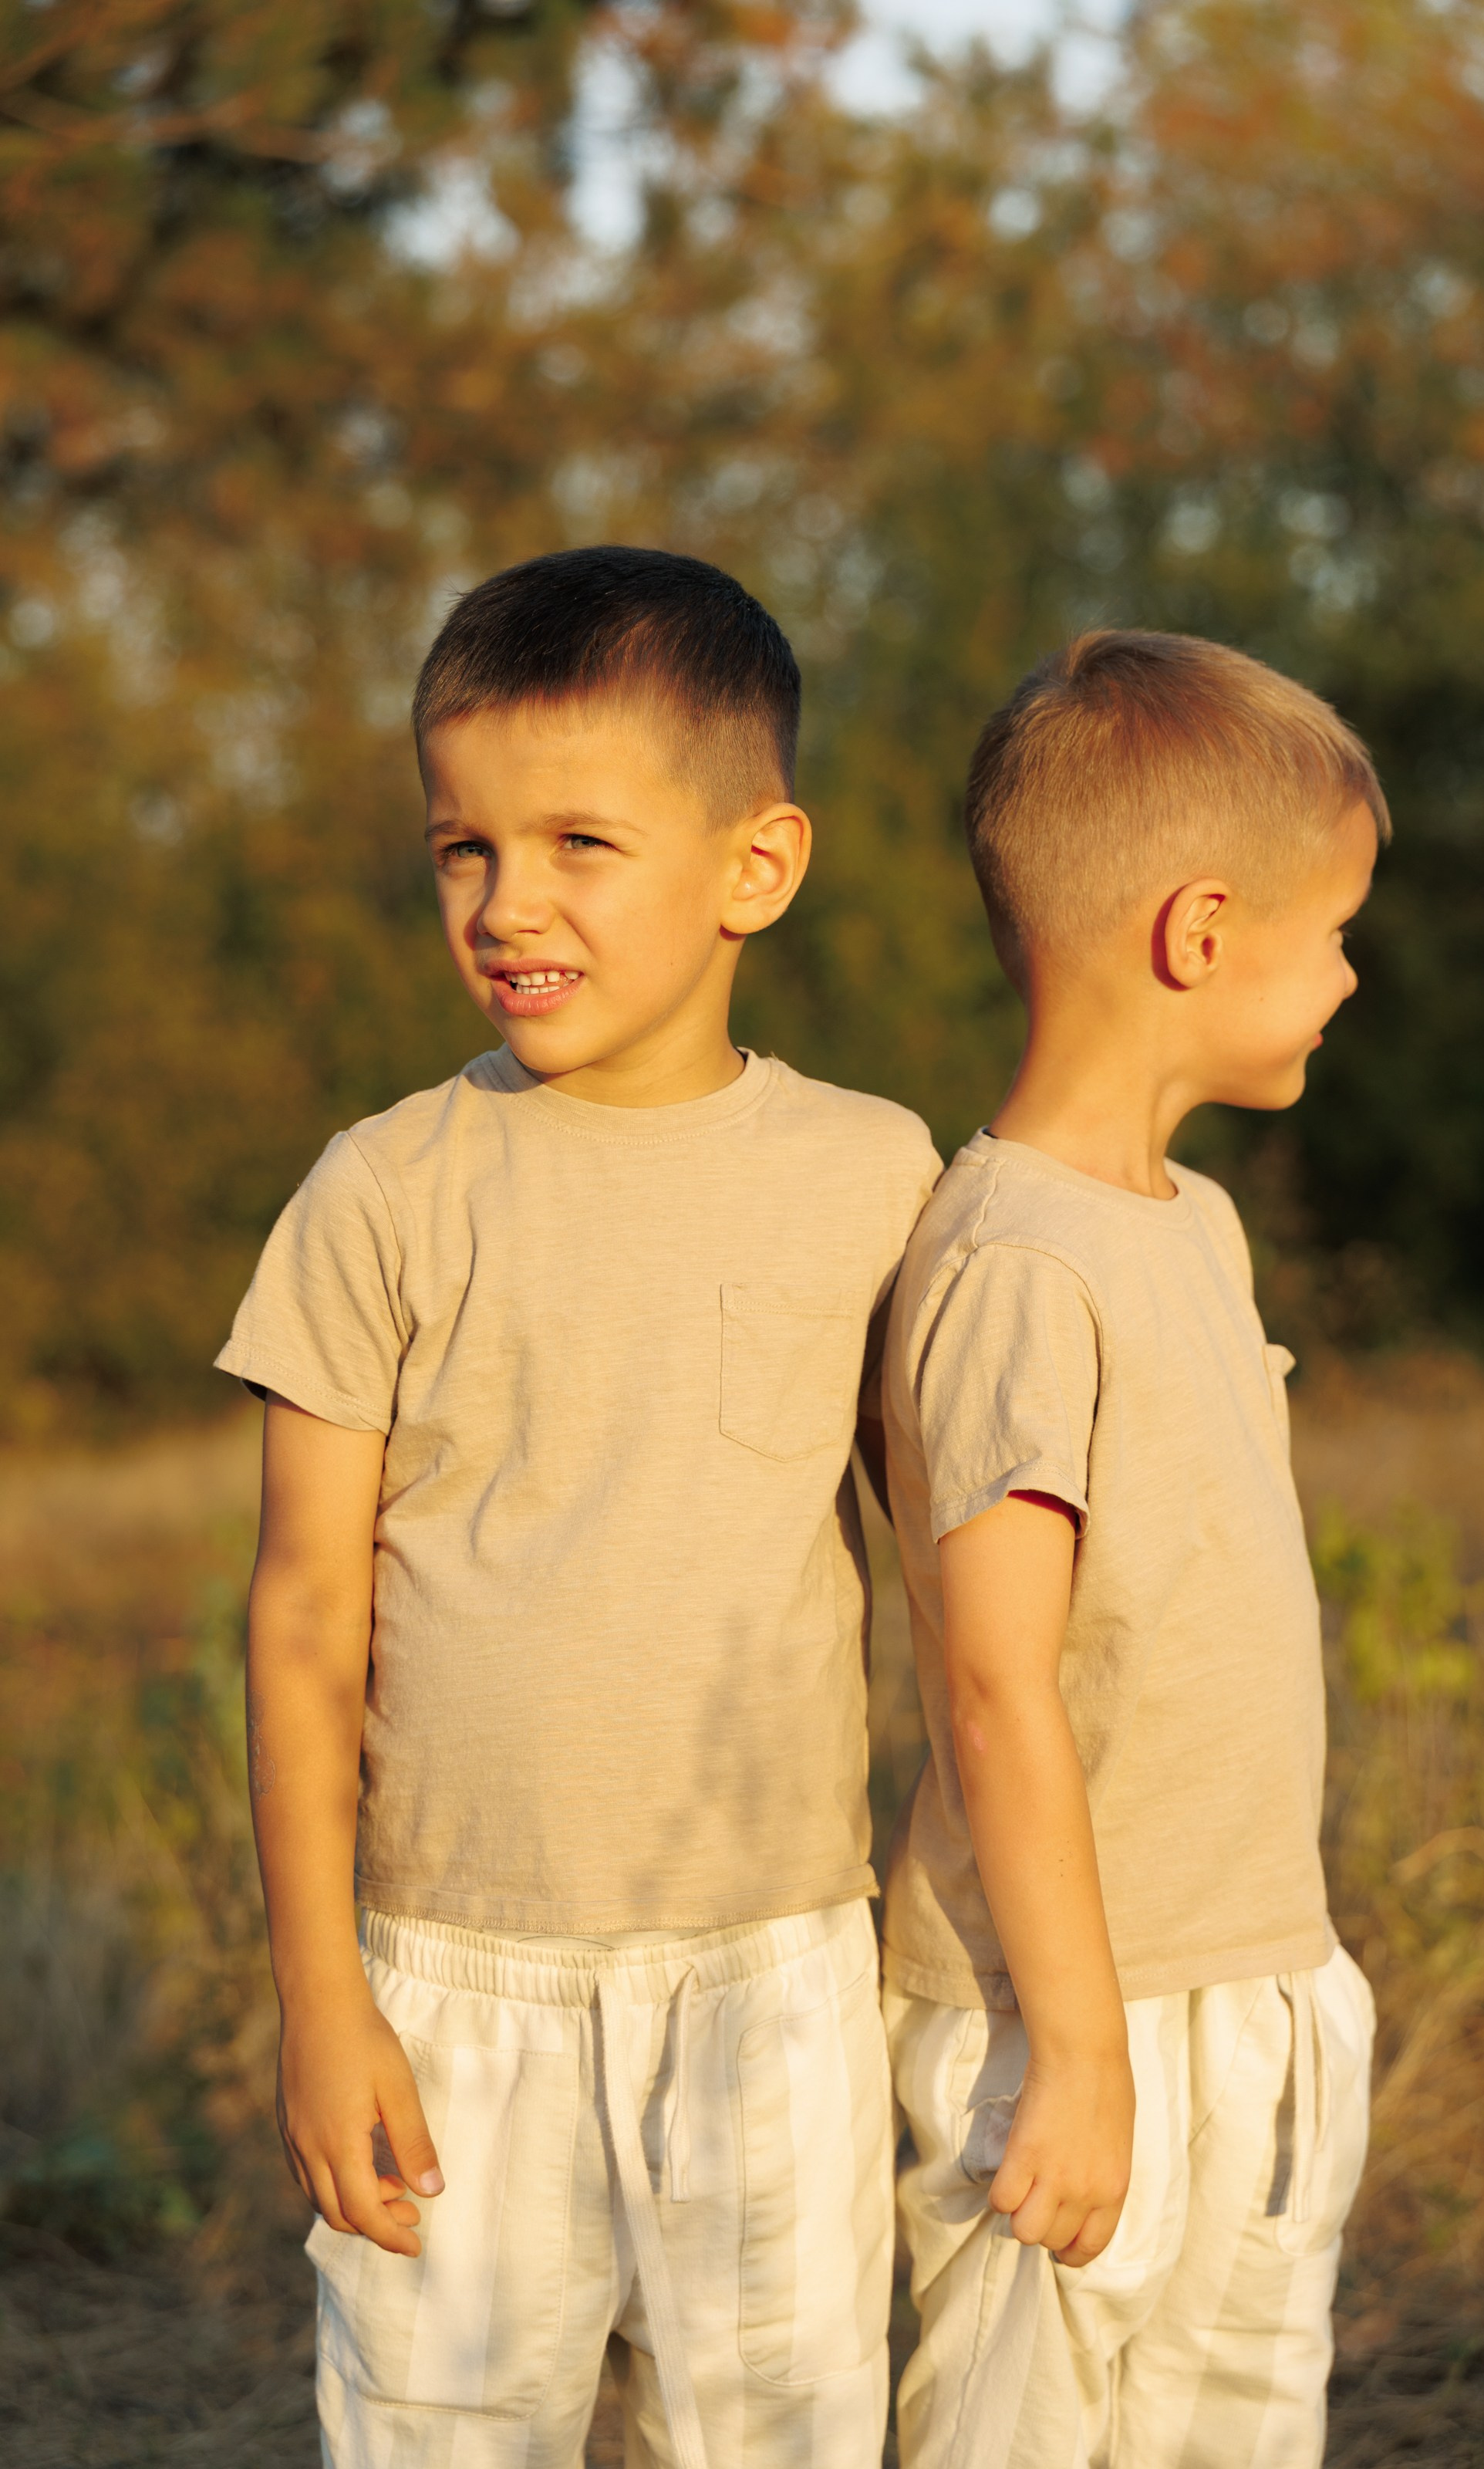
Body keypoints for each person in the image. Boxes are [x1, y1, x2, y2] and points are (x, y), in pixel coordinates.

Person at [217, 546, 940, 2469]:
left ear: (752, 870)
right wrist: (321, 2002)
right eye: (463, 848)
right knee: (445, 2431)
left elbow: (975, 1595)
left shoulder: (875, 1177)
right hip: (451, 1974)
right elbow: (298, 1621)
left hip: (773, 1965)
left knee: (777, 2437)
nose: (506, 902)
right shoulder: (378, 1190)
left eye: (576, 845)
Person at [879, 628, 1386, 2469]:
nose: (1347, 974)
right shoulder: (1015, 1258)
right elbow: (995, 1678)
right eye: (1331, 928)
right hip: (1068, 2014)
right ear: (1196, 932)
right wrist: (1082, 2059)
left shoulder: (1191, 1226)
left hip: (1235, 1969)